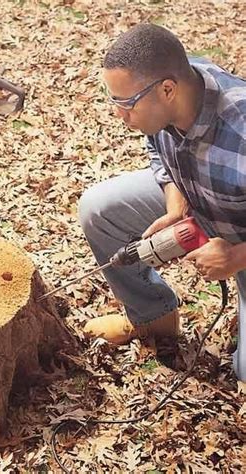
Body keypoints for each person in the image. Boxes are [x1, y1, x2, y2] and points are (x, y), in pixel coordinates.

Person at [78, 24, 246, 381]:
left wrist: (236, 256)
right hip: (201, 200)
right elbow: (159, 153)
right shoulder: (168, 96)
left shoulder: (241, 129)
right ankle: (153, 317)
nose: (119, 115)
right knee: (99, 209)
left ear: (168, 89)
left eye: (125, 104)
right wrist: (176, 205)